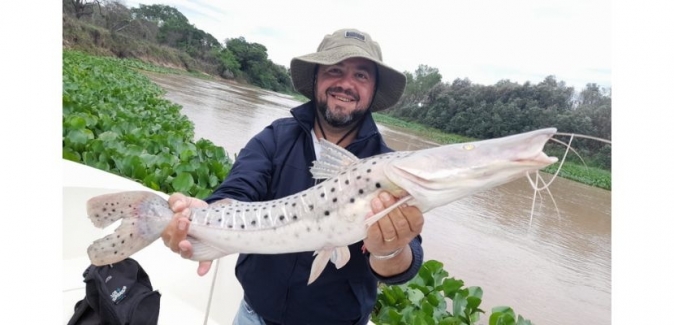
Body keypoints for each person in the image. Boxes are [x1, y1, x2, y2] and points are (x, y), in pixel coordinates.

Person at [162, 28, 425, 325]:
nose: (346, 84)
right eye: (334, 70)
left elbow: (406, 262)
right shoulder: (275, 137)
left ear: (374, 89)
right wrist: (200, 216)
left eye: (361, 75)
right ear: (316, 78)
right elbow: (238, 190)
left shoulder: (388, 167)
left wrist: (390, 250)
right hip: (253, 315)